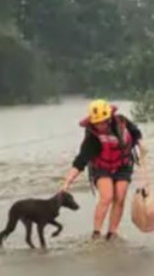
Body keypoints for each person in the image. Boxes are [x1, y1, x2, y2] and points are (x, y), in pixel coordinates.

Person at [61, 99, 148, 241]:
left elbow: (135, 132)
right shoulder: (92, 138)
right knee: (107, 197)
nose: (100, 125)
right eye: (97, 123)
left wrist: (141, 144)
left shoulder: (122, 122)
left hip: (123, 165)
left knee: (120, 197)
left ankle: (112, 234)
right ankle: (96, 234)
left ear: (109, 118)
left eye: (103, 121)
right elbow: (81, 161)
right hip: (102, 167)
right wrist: (67, 181)